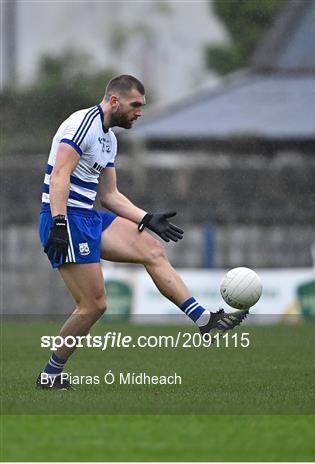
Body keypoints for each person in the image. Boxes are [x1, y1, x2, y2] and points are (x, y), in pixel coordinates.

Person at [37, 75, 248, 390]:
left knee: (152, 249)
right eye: (135, 105)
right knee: (94, 305)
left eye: (142, 106)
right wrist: (58, 223)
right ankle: (51, 374)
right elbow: (59, 176)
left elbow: (109, 196)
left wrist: (146, 218)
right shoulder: (82, 125)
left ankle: (205, 321)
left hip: (89, 216)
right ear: (114, 101)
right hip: (65, 219)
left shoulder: (110, 139)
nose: (139, 112)